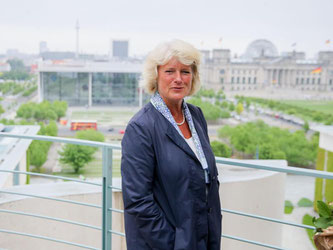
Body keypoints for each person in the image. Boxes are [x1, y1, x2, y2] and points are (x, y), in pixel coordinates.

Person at [121, 39, 222, 250]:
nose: (178, 79)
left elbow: (206, 180)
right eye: (170, 71)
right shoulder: (141, 127)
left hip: (202, 239)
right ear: (155, 75)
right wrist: (174, 243)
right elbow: (138, 201)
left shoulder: (196, 116)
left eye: (185, 72)